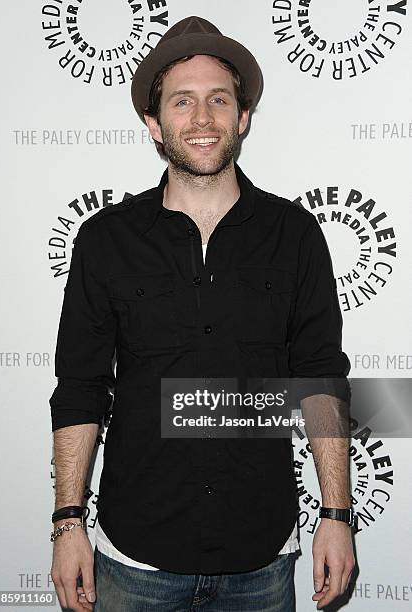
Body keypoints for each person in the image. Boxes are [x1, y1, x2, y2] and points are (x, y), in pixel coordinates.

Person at [49, 15, 356, 612]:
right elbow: (81, 389)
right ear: (153, 124)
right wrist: (67, 525)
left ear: (242, 119)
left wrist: (337, 514)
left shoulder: (293, 235)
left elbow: (320, 379)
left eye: (219, 100)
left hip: (261, 558)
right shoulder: (105, 241)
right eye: (182, 101)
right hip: (135, 557)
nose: (202, 118)